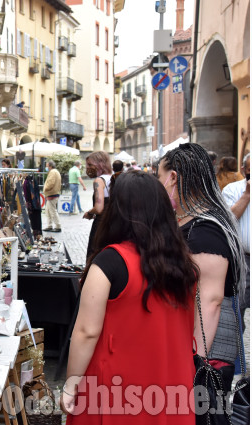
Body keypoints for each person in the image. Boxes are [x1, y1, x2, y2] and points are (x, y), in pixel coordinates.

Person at [61, 171, 198, 424]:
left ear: (117, 211)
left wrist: (71, 384)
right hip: (172, 383)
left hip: (119, 386)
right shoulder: (184, 264)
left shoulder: (109, 262)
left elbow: (86, 331)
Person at [157, 143, 248, 390]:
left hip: (207, 353)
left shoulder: (205, 231)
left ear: (173, 178)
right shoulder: (199, 222)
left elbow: (210, 300)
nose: (158, 186)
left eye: (159, 178)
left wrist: (193, 361)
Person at [222, 153, 250, 327]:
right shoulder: (232, 190)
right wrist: (247, 196)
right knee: (237, 311)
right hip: (242, 259)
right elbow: (228, 220)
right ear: (244, 169)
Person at [84, 151, 112, 259]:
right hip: (112, 224)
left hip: (100, 224)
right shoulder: (113, 178)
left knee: (94, 253)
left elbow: (99, 208)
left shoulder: (99, 181)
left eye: (90, 165)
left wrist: (89, 213)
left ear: (100, 164)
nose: (88, 168)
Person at [43, 160, 62, 232]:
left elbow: (51, 183)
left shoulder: (52, 172)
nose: (46, 167)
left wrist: (45, 189)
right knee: (48, 210)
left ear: (50, 166)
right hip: (53, 193)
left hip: (52, 194)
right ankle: (49, 225)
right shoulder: (55, 172)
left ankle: (58, 226)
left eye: (47, 166)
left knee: (52, 211)